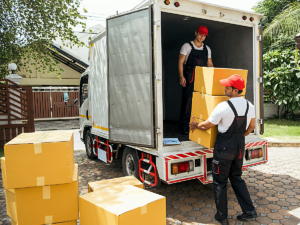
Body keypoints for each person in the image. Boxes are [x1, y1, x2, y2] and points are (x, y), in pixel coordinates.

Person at [189, 74, 257, 225]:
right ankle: (249, 211)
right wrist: (239, 136)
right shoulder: (249, 106)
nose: (224, 88)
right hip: (239, 147)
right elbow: (251, 127)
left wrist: (195, 126)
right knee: (237, 178)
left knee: (220, 182)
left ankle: (222, 217)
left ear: (234, 90)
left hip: (224, 148)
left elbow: (207, 125)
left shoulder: (224, 106)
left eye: (227, 86)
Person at [178, 25, 214, 135]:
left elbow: (209, 64)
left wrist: (213, 76)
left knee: (201, 103)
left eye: (204, 35)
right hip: (189, 78)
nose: (202, 37)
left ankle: (199, 126)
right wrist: (181, 77)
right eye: (200, 34)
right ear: (196, 33)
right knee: (187, 103)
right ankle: (184, 126)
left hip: (202, 80)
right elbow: (180, 62)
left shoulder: (207, 49)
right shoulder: (187, 46)